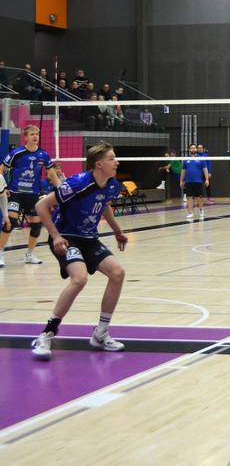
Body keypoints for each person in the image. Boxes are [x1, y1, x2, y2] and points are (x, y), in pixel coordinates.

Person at [30, 141, 128, 359]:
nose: (117, 162)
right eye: (112, 158)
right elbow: (41, 206)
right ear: (99, 165)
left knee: (117, 273)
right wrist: (56, 236)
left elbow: (104, 205)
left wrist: (118, 232)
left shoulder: (112, 185)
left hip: (89, 238)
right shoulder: (77, 183)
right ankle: (46, 334)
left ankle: (100, 334)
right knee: (79, 278)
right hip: (66, 237)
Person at [0, 124, 60, 266]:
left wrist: (60, 188)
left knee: (36, 224)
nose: (35, 136)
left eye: (37, 134)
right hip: (16, 193)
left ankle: (29, 254)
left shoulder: (43, 154)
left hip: (33, 195)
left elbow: (51, 173)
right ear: (25, 137)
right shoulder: (16, 153)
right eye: (32, 134)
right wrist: (4, 186)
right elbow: (1, 170)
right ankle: (0, 253)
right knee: (10, 222)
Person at [179, 144, 208, 220]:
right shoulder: (186, 159)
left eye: (194, 148)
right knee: (189, 197)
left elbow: (205, 169)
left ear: (196, 149)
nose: (193, 149)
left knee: (199, 197)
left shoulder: (201, 158)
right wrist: (181, 180)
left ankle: (201, 210)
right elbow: (183, 171)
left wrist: (207, 179)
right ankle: (190, 213)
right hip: (188, 181)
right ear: (189, 150)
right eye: (191, 148)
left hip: (198, 181)